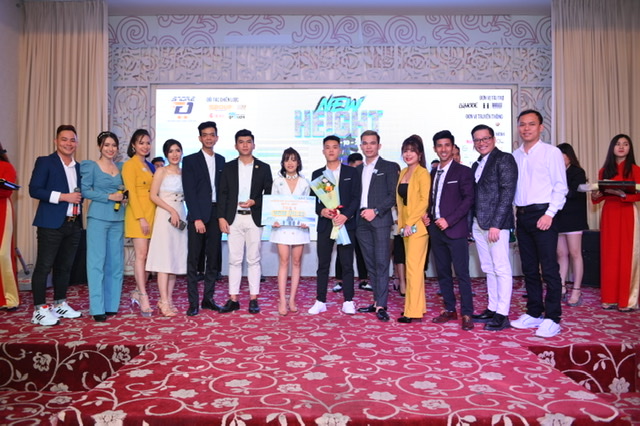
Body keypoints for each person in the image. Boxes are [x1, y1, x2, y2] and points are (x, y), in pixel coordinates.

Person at [510, 109, 567, 338]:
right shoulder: (515, 155)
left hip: (544, 215)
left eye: (531, 124)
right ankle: (534, 312)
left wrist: (550, 214)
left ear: (541, 127)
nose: (526, 128)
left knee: (549, 269)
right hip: (522, 216)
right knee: (529, 268)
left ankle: (553, 317)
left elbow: (560, 187)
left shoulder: (551, 153)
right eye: (522, 124)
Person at [28, 125, 84, 325]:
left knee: (65, 267)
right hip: (50, 224)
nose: (68, 143)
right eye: (64, 139)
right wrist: (63, 197)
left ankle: (60, 303)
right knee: (44, 266)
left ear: (77, 143)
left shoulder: (79, 167)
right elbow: (34, 190)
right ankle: (39, 309)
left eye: (72, 140)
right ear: (56, 141)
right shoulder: (45, 162)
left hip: (73, 224)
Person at [468, 124, 517, 331]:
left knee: (501, 268)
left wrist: (496, 224)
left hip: (496, 225)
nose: (482, 143)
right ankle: (492, 307)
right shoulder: (476, 164)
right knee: (488, 268)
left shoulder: (504, 159)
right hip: (478, 224)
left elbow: (507, 193)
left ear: (494, 139)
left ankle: (502, 314)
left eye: (485, 138)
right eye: (477, 140)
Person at [218, 129, 272, 314]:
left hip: (254, 217)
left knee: (254, 259)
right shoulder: (228, 167)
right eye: (241, 142)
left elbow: (269, 194)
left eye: (248, 141)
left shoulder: (263, 167)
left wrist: (254, 202)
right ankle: (233, 298)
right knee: (234, 260)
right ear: (236, 145)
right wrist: (221, 217)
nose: (245, 145)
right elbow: (222, 193)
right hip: (233, 218)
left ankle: (253, 298)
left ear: (254, 145)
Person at [426, 130, 475, 331]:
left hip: (456, 230)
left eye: (447, 145)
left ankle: (467, 313)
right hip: (436, 230)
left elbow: (468, 200)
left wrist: (450, 220)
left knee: (462, 274)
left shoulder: (463, 171)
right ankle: (449, 309)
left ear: (453, 147)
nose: (443, 149)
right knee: (443, 272)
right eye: (439, 145)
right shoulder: (432, 172)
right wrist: (428, 215)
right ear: (435, 148)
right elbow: (432, 200)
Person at [309, 135, 361, 315]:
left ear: (340, 150)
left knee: (347, 264)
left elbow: (356, 198)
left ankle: (348, 300)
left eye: (334, 147)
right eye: (328, 147)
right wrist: (321, 211)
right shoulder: (317, 174)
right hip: (325, 224)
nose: (331, 150)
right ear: (323, 151)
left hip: (345, 224)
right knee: (323, 264)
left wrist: (345, 215)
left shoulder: (351, 172)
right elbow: (312, 201)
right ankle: (320, 301)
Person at [591, 134, 640, 312]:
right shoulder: (604, 171)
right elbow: (598, 198)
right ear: (612, 147)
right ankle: (609, 298)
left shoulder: (635, 170)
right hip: (609, 214)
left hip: (627, 213)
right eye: (618, 144)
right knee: (609, 255)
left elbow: (638, 194)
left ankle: (627, 300)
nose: (621, 147)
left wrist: (623, 194)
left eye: (625, 144)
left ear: (630, 148)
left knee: (627, 255)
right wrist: (595, 195)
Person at [355, 130, 400, 322]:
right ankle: (376, 301)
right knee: (370, 264)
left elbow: (393, 195)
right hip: (361, 221)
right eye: (365, 143)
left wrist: (376, 210)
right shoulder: (357, 170)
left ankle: (382, 304)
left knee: (382, 263)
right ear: (361, 146)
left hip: (380, 220)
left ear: (379, 146)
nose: (368, 146)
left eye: (372, 143)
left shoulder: (389, 167)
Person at [81, 132, 126, 322]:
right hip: (98, 217)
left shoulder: (121, 167)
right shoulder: (91, 166)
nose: (110, 149)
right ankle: (97, 307)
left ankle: (111, 305)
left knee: (115, 264)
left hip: (118, 218)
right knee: (96, 263)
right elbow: (85, 191)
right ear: (100, 146)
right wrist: (109, 196)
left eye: (113, 145)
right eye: (107, 145)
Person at [182, 121, 226, 316]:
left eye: (212, 134)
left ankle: (208, 299)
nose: (209, 138)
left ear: (217, 137)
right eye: (205, 135)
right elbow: (189, 191)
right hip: (198, 215)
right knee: (193, 261)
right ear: (200, 138)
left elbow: (224, 191)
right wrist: (197, 218)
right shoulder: (190, 160)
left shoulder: (222, 160)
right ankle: (193, 303)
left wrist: (223, 216)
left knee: (213, 261)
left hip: (216, 215)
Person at [146, 139, 187, 317]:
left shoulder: (184, 172)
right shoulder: (161, 171)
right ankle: (163, 300)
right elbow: (153, 196)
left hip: (181, 215)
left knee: (174, 259)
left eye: (177, 150)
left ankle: (169, 299)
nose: (175, 154)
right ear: (166, 154)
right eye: (171, 151)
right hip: (165, 215)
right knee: (164, 259)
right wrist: (171, 210)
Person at [269, 147, 311, 316]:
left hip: (300, 228)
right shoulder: (277, 182)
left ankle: (292, 299)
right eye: (287, 159)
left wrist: (307, 220)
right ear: (283, 163)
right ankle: (282, 299)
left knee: (297, 262)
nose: (290, 163)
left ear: (298, 162)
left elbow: (308, 207)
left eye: (293, 159)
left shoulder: (305, 182)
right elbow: (272, 205)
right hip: (282, 228)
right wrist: (273, 219)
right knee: (284, 261)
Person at [396, 135, 430, 323]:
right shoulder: (403, 172)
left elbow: (424, 201)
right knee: (412, 268)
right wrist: (402, 225)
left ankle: (411, 311)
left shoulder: (423, 173)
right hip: (405, 228)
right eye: (405, 151)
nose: (408, 154)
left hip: (417, 227)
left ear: (420, 154)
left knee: (414, 270)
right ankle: (417, 307)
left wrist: (410, 223)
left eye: (412, 151)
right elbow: (402, 203)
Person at [122, 129, 156, 317]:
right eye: (141, 142)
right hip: (138, 216)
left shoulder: (150, 166)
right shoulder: (129, 165)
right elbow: (132, 194)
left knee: (149, 258)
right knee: (141, 256)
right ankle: (143, 296)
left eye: (148, 142)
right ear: (133, 145)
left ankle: (137, 290)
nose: (145, 146)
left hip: (153, 215)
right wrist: (141, 218)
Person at [555, 143, 589, 307]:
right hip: (558, 217)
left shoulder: (577, 172)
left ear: (569, 156)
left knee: (575, 253)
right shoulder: (554, 172)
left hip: (574, 217)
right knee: (561, 253)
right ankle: (561, 287)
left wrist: (559, 189)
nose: (560, 159)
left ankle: (576, 290)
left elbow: (574, 193)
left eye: (562, 155)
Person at [334, 152, 370, 293]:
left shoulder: (364, 177)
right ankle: (339, 280)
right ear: (349, 165)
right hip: (344, 219)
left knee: (361, 250)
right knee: (342, 250)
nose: (358, 170)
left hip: (360, 219)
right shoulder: (344, 176)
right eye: (356, 166)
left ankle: (364, 279)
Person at [0, 142, 19, 310]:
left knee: (2, 254)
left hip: (2, 211)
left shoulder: (6, 167)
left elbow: (6, 191)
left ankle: (8, 297)